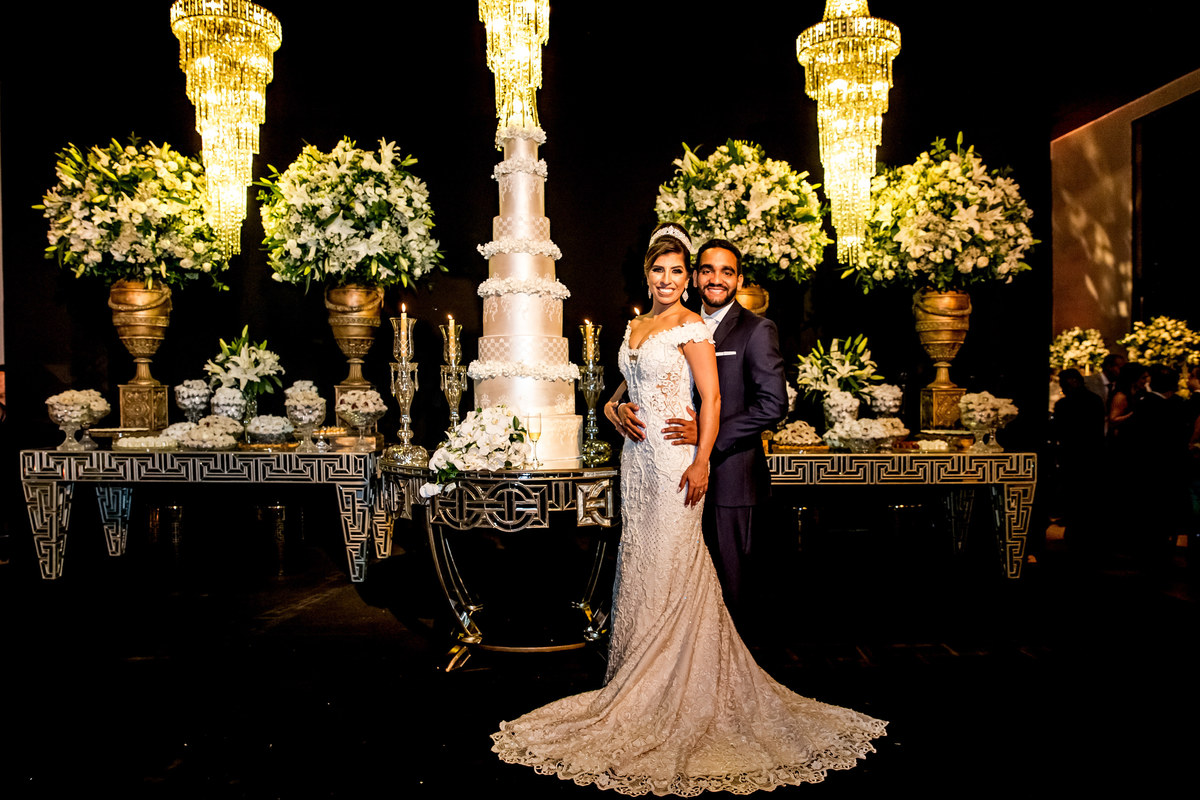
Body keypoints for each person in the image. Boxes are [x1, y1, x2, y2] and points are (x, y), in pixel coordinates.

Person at [491, 224, 886, 793]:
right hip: (638, 462)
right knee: (642, 562)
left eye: (680, 271)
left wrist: (701, 458)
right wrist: (611, 407)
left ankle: (682, 683)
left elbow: (716, 398)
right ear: (649, 274)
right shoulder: (635, 324)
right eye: (663, 270)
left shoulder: (692, 325)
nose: (672, 280)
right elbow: (628, 385)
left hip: (678, 460)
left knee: (679, 563)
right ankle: (635, 675)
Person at [607, 237, 788, 618]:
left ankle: (722, 669)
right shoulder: (668, 320)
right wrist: (617, 406)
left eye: (726, 272)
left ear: (739, 280)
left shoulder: (756, 329)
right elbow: (639, 378)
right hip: (662, 467)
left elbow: (772, 405)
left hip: (730, 474)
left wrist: (706, 443)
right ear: (697, 275)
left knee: (730, 588)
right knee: (665, 569)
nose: (715, 279)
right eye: (707, 270)